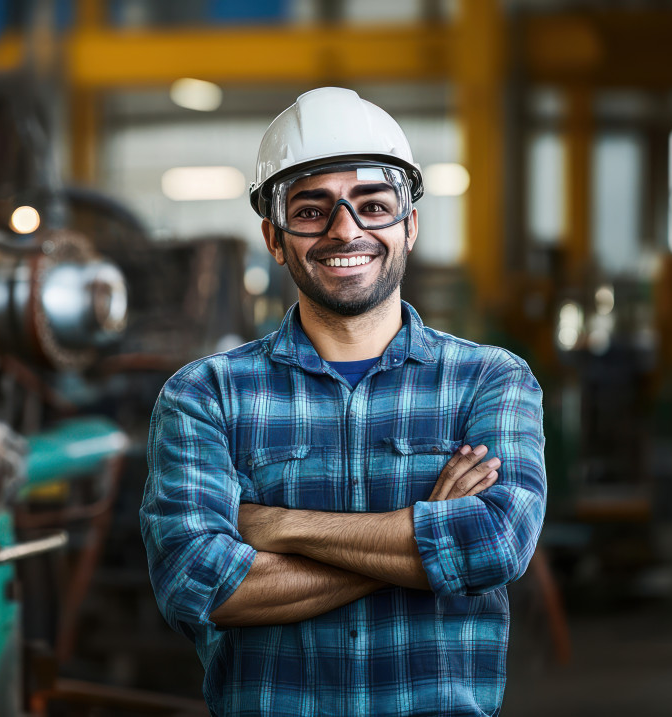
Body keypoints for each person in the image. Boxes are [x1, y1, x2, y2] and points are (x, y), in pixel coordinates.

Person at [140, 87, 546, 716]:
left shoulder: (489, 379)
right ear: (275, 239)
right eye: (312, 211)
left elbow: (495, 542)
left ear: (409, 226)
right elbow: (199, 583)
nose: (345, 230)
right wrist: (428, 539)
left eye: (373, 206)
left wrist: (279, 526)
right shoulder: (205, 395)